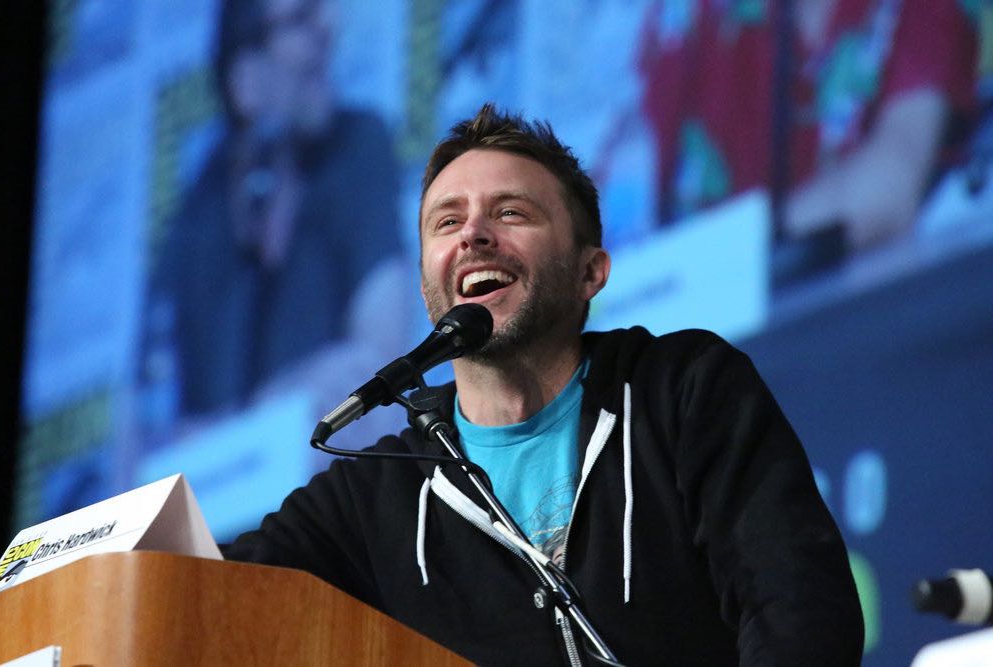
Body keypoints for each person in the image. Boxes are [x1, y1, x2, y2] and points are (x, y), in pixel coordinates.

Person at [222, 104, 864, 665]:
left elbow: (799, 608)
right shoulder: (372, 495)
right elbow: (198, 586)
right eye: (447, 223)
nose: (474, 234)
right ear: (427, 292)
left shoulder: (684, 389)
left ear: (591, 272)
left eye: (511, 212)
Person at [144, 0, 399, 420]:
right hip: (226, 478)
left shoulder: (356, 145)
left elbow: (380, 352)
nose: (326, 28)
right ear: (247, 80)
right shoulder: (199, 212)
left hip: (331, 454)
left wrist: (267, 416)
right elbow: (151, 415)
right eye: (302, 18)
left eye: (323, 10)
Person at [637, 0, 977, 251]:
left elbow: (886, 193)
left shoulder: (921, 9)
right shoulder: (685, 21)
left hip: (876, 325)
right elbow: (621, 195)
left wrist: (718, 262)